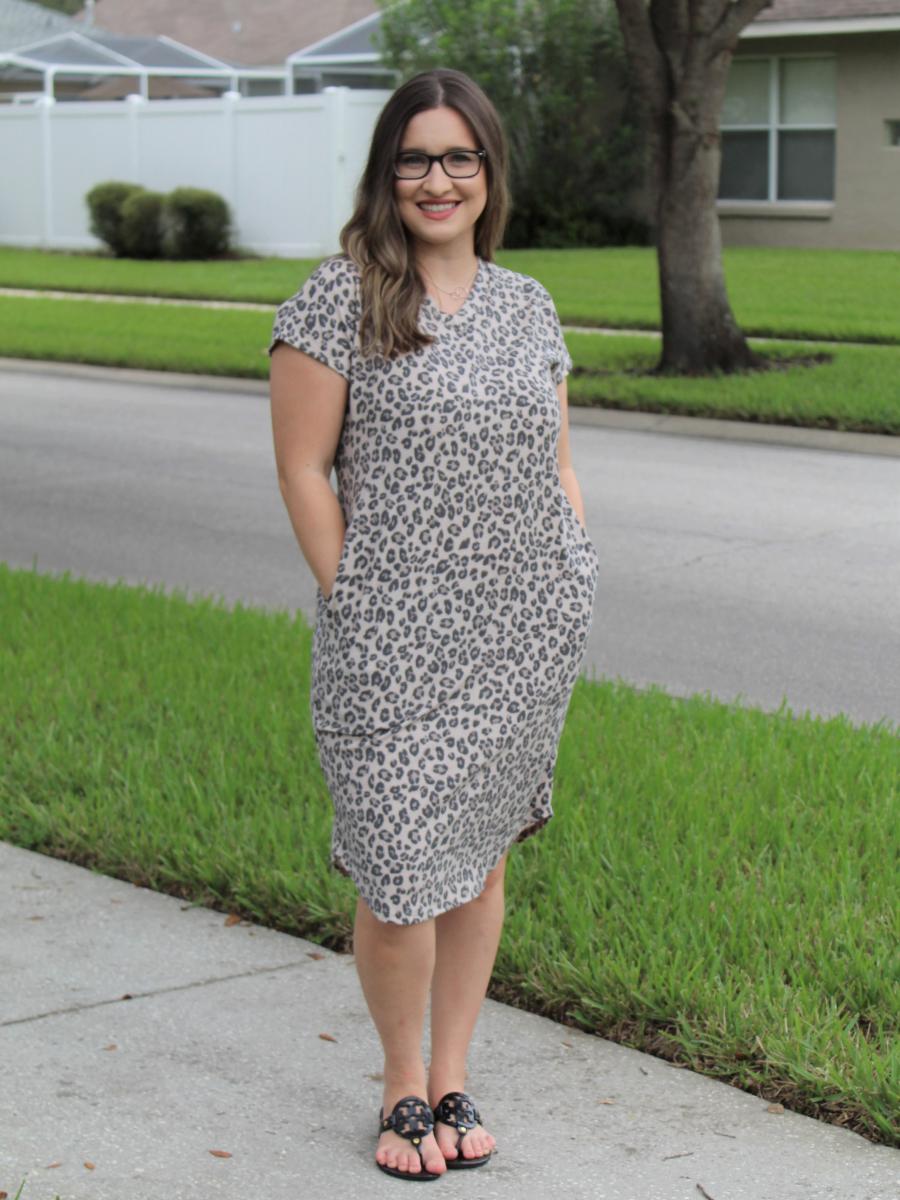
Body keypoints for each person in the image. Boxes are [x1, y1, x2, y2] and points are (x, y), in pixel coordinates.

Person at [268, 67, 599, 1181]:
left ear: (489, 171)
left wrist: (572, 570)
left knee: (480, 861)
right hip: (391, 641)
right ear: (386, 173)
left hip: (521, 633)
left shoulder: (527, 307)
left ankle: (453, 1075)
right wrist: (350, 597)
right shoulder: (342, 295)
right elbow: (306, 469)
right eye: (415, 157)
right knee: (401, 874)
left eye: (460, 156)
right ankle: (400, 1089)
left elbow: (555, 464)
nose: (438, 178)